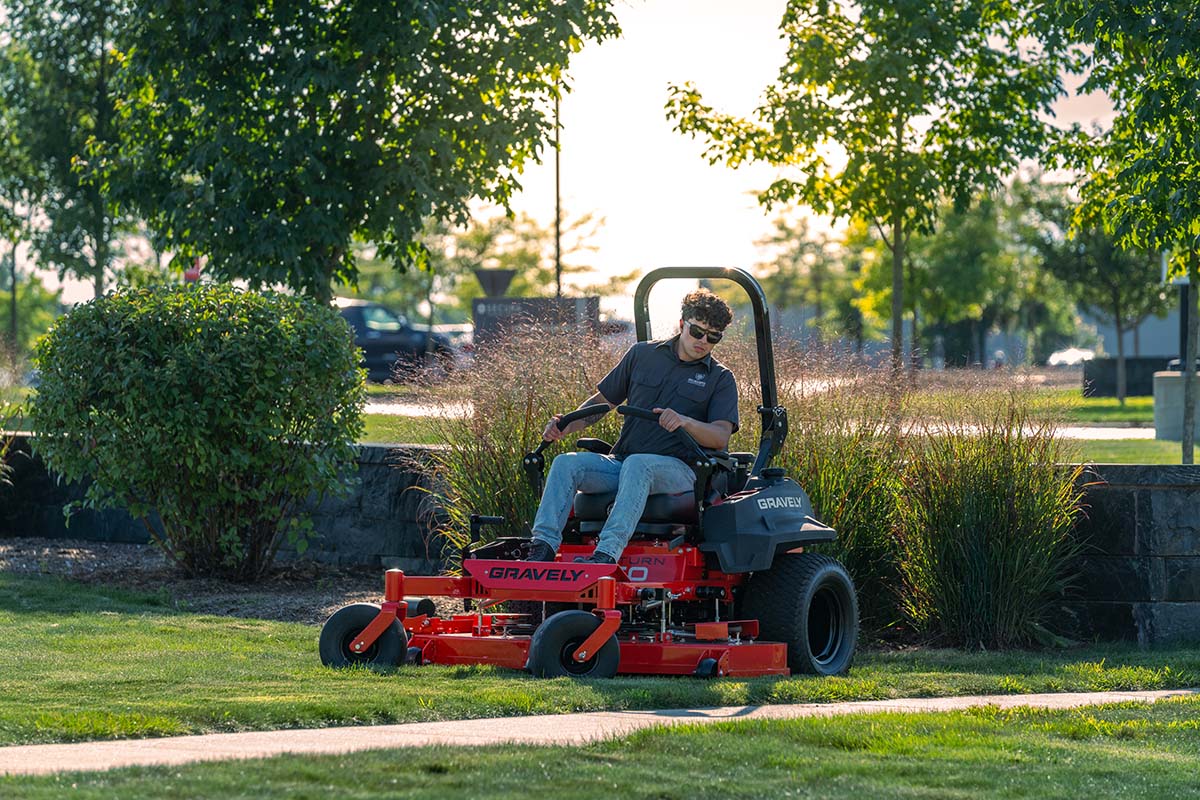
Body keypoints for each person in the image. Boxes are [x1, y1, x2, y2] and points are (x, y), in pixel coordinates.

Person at [526, 288, 738, 564]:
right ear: (682, 324)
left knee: (639, 464)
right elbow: (602, 402)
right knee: (567, 463)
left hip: (682, 470)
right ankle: (541, 549)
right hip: (623, 463)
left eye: (713, 337)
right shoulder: (642, 354)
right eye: (697, 332)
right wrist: (565, 425)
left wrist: (685, 421)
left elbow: (720, 437)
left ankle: (606, 554)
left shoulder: (720, 378)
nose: (703, 341)